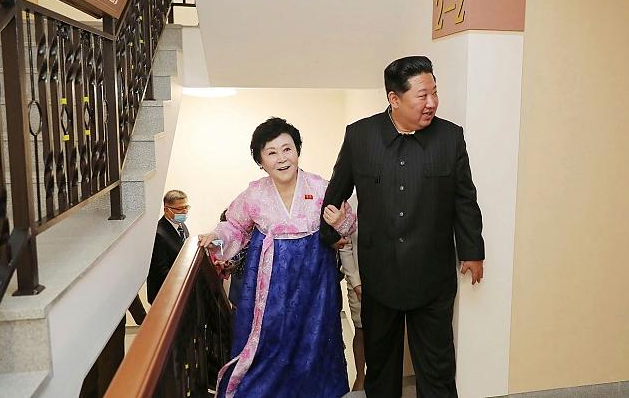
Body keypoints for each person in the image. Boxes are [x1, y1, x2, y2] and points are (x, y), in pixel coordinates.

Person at [320, 56, 485, 398]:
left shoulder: (450, 137)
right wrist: (331, 236)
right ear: (394, 99)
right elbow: (335, 194)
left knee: (438, 368)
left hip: (433, 275)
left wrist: (472, 252)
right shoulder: (360, 136)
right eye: (422, 96)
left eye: (434, 93)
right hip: (380, 276)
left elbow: (464, 198)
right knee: (381, 367)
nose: (432, 103)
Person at [198, 117, 355, 398]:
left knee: (314, 341)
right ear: (261, 161)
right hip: (268, 287)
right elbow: (234, 227)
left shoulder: (321, 188)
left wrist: (340, 222)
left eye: (287, 149)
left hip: (315, 284)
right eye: (271, 152)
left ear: (297, 151)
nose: (282, 158)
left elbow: (349, 225)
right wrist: (216, 238)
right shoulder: (254, 195)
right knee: (268, 344)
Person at [334, 194, 365, 391]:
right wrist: (356, 283)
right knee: (361, 330)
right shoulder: (349, 204)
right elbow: (345, 247)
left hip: (386, 281)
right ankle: (360, 376)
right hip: (357, 282)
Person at [147, 189, 190, 303]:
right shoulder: (158, 234)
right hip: (166, 294)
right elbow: (161, 271)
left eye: (186, 207)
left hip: (180, 290)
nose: (184, 212)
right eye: (179, 209)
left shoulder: (182, 226)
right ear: (166, 210)